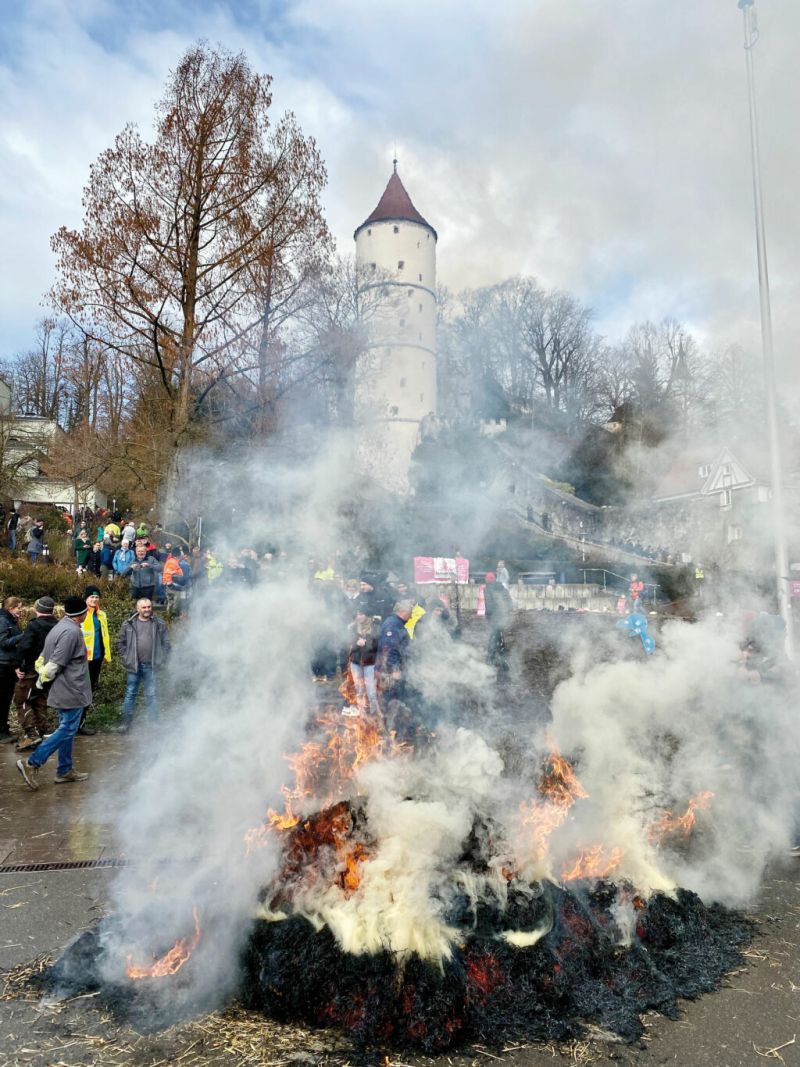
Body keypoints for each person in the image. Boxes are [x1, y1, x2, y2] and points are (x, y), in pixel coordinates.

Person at [16, 596, 92, 790]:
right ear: (82, 614)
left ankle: (64, 770)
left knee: (67, 728)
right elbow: (56, 662)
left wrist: (42, 676)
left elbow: (42, 658)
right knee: (67, 729)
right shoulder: (71, 632)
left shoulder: (59, 627)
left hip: (64, 688)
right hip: (71, 689)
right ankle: (32, 762)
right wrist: (42, 680)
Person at [117, 598, 170, 732]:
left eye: (149, 607)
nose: (147, 609)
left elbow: (166, 643)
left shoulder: (159, 623)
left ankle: (154, 724)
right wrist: (126, 657)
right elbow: (120, 642)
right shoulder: (128, 623)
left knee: (151, 695)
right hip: (133, 666)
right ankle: (126, 724)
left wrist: (161, 657)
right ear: (138, 608)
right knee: (130, 694)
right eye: (144, 607)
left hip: (151, 666)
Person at [14, 596, 59, 752]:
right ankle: (44, 731)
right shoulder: (58, 625)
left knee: (22, 700)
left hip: (31, 670)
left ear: (37, 609)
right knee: (40, 699)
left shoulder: (34, 625)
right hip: (49, 670)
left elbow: (24, 647)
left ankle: (31, 735)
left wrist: (18, 666)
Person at [79, 585, 111, 736]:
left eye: (97, 597)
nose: (94, 599)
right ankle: (72, 723)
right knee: (79, 691)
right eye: (92, 596)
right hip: (82, 660)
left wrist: (106, 655)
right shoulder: (80, 614)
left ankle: (81, 723)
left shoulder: (101, 614)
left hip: (96, 659)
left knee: (89, 691)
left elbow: (104, 636)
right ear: (86, 598)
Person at [376, 599, 413, 705]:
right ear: (403, 611)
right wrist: (395, 669)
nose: (411, 617)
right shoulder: (392, 625)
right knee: (392, 697)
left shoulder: (397, 623)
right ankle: (389, 714)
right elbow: (390, 649)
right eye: (410, 613)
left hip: (394, 667)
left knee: (395, 697)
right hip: (390, 670)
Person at [0, 596, 24, 743]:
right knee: (3, 699)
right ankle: (2, 733)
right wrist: (22, 636)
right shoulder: (3, 621)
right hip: (3, 665)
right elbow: (3, 643)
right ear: (10, 608)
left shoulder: (10, 620)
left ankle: (4, 729)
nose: (21, 610)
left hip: (8, 664)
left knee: (5, 699)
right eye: (18, 608)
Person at [345, 609, 379, 712]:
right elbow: (348, 641)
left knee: (371, 690)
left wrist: (366, 643)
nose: (358, 616)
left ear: (367, 615)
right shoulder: (352, 627)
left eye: (361, 614)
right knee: (359, 689)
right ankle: (361, 711)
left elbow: (377, 643)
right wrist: (357, 643)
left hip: (370, 662)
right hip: (356, 662)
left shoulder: (375, 627)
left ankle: (374, 711)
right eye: (357, 614)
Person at [484, 572, 513, 677]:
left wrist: (488, 616)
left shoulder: (488, 589)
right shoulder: (502, 588)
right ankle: (502, 659)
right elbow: (510, 603)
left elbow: (489, 607)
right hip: (503, 618)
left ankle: (492, 660)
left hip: (495, 619)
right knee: (499, 637)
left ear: (487, 580)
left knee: (494, 638)